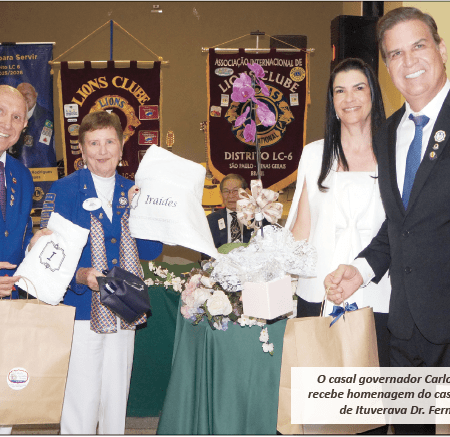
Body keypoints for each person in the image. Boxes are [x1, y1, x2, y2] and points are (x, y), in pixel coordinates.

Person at [325, 8, 450, 434]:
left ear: (441, 49)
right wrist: (360, 270)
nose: (408, 61)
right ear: (387, 67)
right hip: (409, 322)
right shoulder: (388, 133)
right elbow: (400, 224)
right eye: (395, 54)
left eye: (419, 46)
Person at [40, 111, 163, 434]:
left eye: (110, 142)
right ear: (81, 149)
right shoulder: (64, 190)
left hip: (125, 305)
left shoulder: (134, 190)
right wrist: (80, 276)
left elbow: (151, 251)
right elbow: (46, 253)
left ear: (122, 147)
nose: (102, 150)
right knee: (80, 398)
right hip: (81, 308)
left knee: (115, 396)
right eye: (94, 143)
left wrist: (142, 212)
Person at [286, 58, 391, 373]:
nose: (349, 98)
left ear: (373, 94)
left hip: (379, 289)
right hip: (320, 289)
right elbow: (302, 229)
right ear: (332, 102)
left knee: (373, 390)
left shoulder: (394, 153)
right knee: (319, 390)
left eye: (359, 88)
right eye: (340, 91)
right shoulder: (314, 154)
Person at [0, 86, 51, 433]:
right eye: (1, 112)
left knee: (5, 409)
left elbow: (16, 239)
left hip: (9, 310)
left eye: (17, 117)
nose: (8, 123)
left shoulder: (22, 175)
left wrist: (35, 249)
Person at [8, 82, 56, 168]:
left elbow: (42, 148)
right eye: (21, 94)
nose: (24, 97)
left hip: (42, 170)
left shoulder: (47, 118)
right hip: (16, 168)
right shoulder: (11, 116)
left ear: (35, 95)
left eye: (27, 94)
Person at [207, 173, 253, 249]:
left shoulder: (258, 219)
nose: (230, 196)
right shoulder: (210, 221)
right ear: (221, 194)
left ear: (246, 192)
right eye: (226, 191)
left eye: (235, 191)